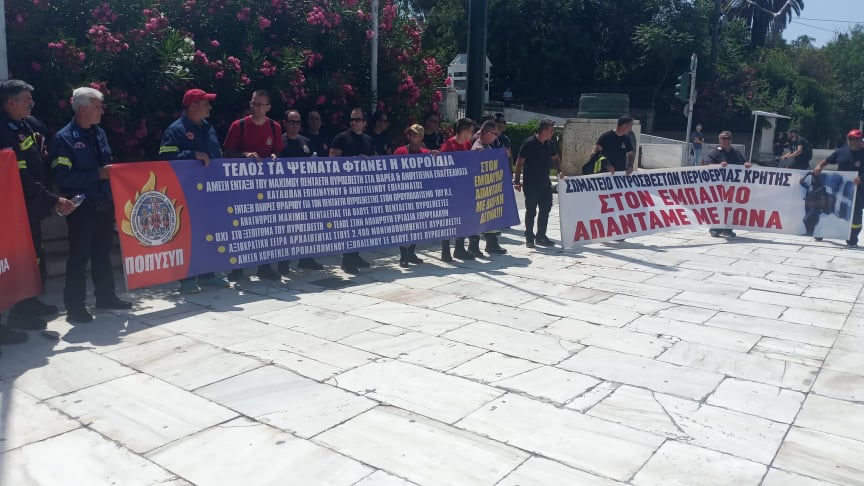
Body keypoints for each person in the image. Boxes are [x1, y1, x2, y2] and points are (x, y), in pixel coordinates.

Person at [0, 80, 75, 342]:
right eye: (26, 99)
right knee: (17, 261)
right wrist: (52, 200)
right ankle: (17, 313)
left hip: (30, 208)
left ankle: (29, 302)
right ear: (11, 102)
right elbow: (21, 178)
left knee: (34, 256)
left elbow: (37, 164)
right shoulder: (3, 131)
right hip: (14, 209)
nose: (31, 103)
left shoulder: (24, 125)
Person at [50, 87, 133, 323]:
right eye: (97, 107)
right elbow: (62, 177)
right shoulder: (64, 138)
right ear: (82, 108)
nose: (102, 111)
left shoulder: (100, 133)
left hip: (104, 203)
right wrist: (97, 175)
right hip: (82, 207)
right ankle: (75, 307)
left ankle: (106, 296)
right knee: (79, 256)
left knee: (102, 253)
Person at [159, 88, 231, 293]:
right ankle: (187, 279)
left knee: (208, 233)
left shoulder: (208, 127)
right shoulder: (175, 130)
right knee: (187, 235)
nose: (210, 107)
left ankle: (208, 274)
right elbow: (165, 157)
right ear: (192, 106)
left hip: (210, 190)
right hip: (186, 192)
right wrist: (192, 154)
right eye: (206, 103)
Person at [222, 90, 285, 282]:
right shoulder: (238, 125)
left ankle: (264, 266)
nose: (256, 108)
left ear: (268, 107)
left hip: (264, 185)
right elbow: (227, 154)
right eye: (254, 103)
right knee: (239, 226)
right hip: (241, 186)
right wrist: (245, 156)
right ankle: (236, 269)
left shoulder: (274, 127)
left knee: (265, 226)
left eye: (260, 105)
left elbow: (278, 153)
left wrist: (274, 157)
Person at [330, 107, 375, 274]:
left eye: (357, 120)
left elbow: (373, 161)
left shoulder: (368, 140)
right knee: (349, 225)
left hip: (363, 187)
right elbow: (332, 161)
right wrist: (352, 161)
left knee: (361, 224)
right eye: (352, 119)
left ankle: (355, 255)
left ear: (364, 123)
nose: (354, 122)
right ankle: (347, 260)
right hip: (346, 188)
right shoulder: (341, 138)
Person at [279, 109, 323, 270]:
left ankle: (306, 259)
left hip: (305, 191)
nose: (295, 125)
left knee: (307, 227)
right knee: (287, 229)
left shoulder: (306, 141)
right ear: (285, 123)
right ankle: (283, 263)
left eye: (298, 122)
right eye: (292, 122)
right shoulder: (279, 141)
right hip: (285, 191)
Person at [513, 119, 561, 248]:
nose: (552, 133)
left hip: (545, 182)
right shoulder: (529, 143)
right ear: (544, 131)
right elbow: (519, 163)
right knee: (531, 211)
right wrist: (517, 181)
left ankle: (541, 236)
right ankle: (529, 236)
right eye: (551, 130)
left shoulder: (549, 144)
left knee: (546, 209)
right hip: (531, 183)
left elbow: (556, 158)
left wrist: (560, 171)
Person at [812, 129, 864, 246]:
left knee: (856, 214)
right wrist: (819, 166)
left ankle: (852, 238)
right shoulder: (841, 152)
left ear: (860, 140)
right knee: (828, 208)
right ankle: (821, 232)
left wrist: (861, 178)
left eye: (855, 139)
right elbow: (827, 160)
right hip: (839, 187)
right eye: (850, 138)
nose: (852, 141)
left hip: (858, 189)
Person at [439, 117, 476, 262]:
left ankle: (459, 248)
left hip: (463, 188)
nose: (472, 134)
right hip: (451, 188)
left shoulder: (467, 145)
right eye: (471, 131)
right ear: (464, 131)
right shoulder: (448, 145)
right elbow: (443, 167)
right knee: (449, 219)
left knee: (463, 218)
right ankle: (445, 250)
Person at [703, 131, 752, 238]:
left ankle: (728, 229)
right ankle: (715, 229)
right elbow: (706, 164)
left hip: (734, 187)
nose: (726, 140)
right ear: (719, 140)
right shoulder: (715, 152)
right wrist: (718, 165)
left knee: (731, 208)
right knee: (718, 207)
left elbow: (744, 162)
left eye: (728, 138)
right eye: (724, 138)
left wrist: (746, 164)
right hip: (719, 187)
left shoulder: (736, 152)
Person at [392, 124, 429, 268]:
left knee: (418, 226)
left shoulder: (425, 154)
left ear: (421, 137)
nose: (412, 137)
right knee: (404, 226)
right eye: (411, 134)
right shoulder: (400, 151)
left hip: (420, 195)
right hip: (404, 195)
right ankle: (403, 255)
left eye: (415, 134)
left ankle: (411, 252)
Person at [471, 120, 507, 255]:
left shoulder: (487, 147)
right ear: (487, 133)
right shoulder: (477, 147)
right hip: (481, 189)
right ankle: (474, 246)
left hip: (490, 188)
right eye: (495, 134)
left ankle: (492, 243)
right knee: (479, 219)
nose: (496, 137)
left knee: (491, 216)